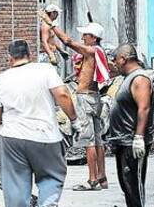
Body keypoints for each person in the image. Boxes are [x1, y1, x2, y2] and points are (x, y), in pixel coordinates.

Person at [0, 40, 78, 207]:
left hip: (11, 138)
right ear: (30, 54)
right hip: (45, 135)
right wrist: (74, 120)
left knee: (15, 183)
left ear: (9, 57)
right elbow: (62, 94)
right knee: (52, 176)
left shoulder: (1, 79)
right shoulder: (45, 70)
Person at [40, 13, 111, 191]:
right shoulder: (98, 52)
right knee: (98, 139)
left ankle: (92, 180)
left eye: (86, 35)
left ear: (94, 38)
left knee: (88, 141)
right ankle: (102, 177)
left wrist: (52, 24)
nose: (83, 37)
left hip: (85, 98)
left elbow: (68, 42)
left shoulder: (91, 50)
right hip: (95, 97)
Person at [106, 44, 154, 207]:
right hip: (122, 139)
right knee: (126, 182)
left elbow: (144, 109)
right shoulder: (126, 79)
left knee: (134, 182)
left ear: (124, 59)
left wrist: (139, 137)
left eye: (116, 60)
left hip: (132, 140)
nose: (115, 64)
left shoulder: (139, 79)